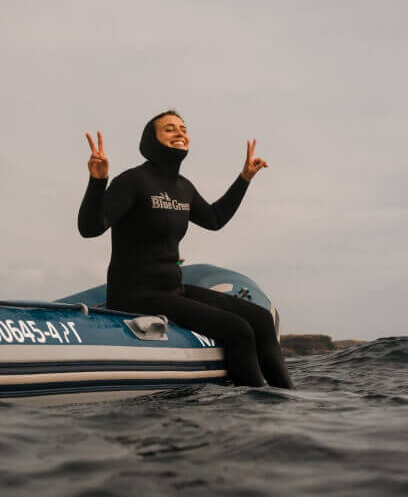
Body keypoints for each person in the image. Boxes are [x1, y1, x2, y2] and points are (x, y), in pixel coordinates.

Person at [78, 110, 294, 388]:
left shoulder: (184, 187)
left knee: (261, 319)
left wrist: (244, 179)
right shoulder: (133, 181)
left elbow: (214, 219)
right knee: (238, 330)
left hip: (172, 290)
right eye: (169, 129)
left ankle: (289, 400)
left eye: (183, 128)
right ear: (151, 140)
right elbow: (90, 227)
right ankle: (259, 407)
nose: (180, 133)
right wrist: (98, 181)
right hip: (135, 295)